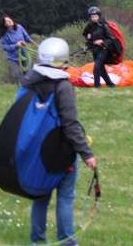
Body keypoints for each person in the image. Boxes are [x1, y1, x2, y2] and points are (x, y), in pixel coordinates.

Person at [22, 37, 97, 246]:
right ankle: (66, 241)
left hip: (35, 151)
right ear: (62, 61)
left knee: (41, 196)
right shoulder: (63, 86)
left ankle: (37, 240)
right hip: (59, 152)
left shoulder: (29, 81)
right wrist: (87, 154)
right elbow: (70, 124)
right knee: (65, 197)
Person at [81, 6, 117, 88]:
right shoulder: (89, 26)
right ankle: (110, 84)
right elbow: (85, 35)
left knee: (96, 67)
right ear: (90, 17)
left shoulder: (103, 26)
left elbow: (111, 38)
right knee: (101, 68)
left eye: (95, 16)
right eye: (92, 17)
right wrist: (88, 37)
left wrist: (102, 42)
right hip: (94, 50)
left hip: (104, 49)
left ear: (99, 16)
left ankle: (97, 85)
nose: (94, 18)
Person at [0, 14, 37, 85]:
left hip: (24, 55)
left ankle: (28, 89)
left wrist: (36, 45)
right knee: (17, 75)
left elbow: (27, 37)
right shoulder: (4, 35)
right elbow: (5, 47)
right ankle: (20, 89)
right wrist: (16, 45)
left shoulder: (19, 27)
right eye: (6, 21)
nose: (9, 21)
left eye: (9, 19)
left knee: (28, 73)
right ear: (4, 24)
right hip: (13, 58)